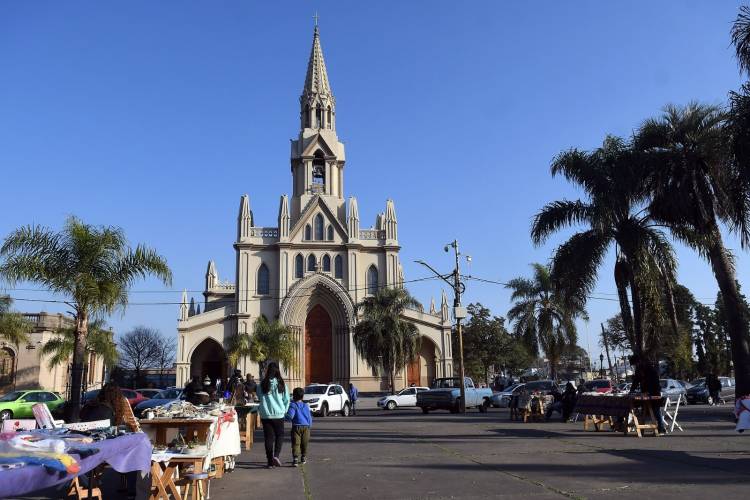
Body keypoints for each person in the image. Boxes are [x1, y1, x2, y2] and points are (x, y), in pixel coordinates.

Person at [256, 362, 290, 468]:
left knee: (268, 438)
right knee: (279, 435)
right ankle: (276, 456)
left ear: (267, 371)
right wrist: (284, 410)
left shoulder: (261, 384)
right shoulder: (281, 384)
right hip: (279, 414)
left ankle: (269, 461)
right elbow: (287, 399)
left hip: (266, 415)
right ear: (277, 371)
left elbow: (259, 397)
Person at [630, 353, 665, 434]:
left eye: (635, 364)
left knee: (656, 411)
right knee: (644, 411)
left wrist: (648, 391)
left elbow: (653, 382)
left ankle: (661, 428)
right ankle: (642, 429)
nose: (635, 366)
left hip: (654, 392)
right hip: (646, 393)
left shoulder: (650, 369)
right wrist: (632, 391)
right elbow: (636, 381)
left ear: (638, 362)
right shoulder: (639, 369)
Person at [285, 387, 312, 466]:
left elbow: (290, 416)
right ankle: (303, 457)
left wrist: (284, 417)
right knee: (304, 443)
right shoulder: (306, 405)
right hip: (306, 427)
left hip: (296, 427)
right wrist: (309, 425)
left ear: (293, 396)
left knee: (296, 443)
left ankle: (295, 459)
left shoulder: (293, 405)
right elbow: (309, 416)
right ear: (302, 396)